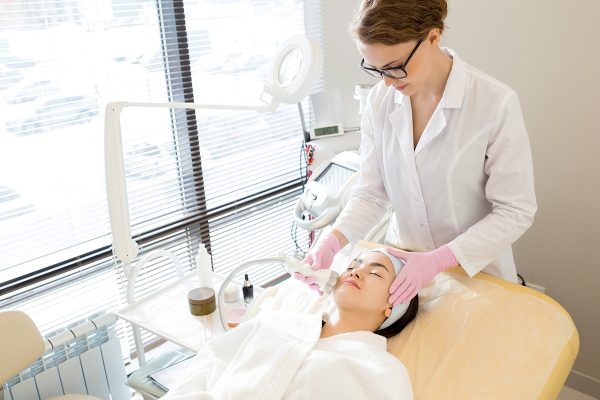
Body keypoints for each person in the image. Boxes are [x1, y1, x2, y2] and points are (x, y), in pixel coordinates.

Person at [298, 0, 537, 306]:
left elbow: (515, 211)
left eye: (395, 67)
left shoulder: (494, 103)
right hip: (403, 274)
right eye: (376, 69)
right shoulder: (379, 102)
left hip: (476, 276)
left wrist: (441, 259)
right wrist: (332, 241)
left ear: (433, 38)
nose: (386, 81)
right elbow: (371, 194)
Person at [162, 249, 417, 400]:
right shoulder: (277, 322)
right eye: (352, 265)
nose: (355, 272)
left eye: (375, 272)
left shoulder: (382, 371)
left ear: (392, 306)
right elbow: (208, 364)